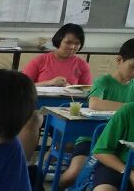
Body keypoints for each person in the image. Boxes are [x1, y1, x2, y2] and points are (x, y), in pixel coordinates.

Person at [55, 38, 134, 191]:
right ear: (119, 60)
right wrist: (129, 108)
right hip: (91, 139)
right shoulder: (103, 82)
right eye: (133, 66)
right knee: (73, 173)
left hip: (118, 147)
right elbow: (94, 104)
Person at [18, 23, 92, 159]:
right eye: (68, 42)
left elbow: (87, 92)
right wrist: (49, 82)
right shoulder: (41, 60)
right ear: (59, 40)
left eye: (77, 43)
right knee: (32, 120)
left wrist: (71, 87)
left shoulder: (82, 65)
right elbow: (22, 85)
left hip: (66, 111)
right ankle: (23, 162)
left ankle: (47, 161)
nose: (72, 47)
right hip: (39, 110)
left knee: (74, 127)